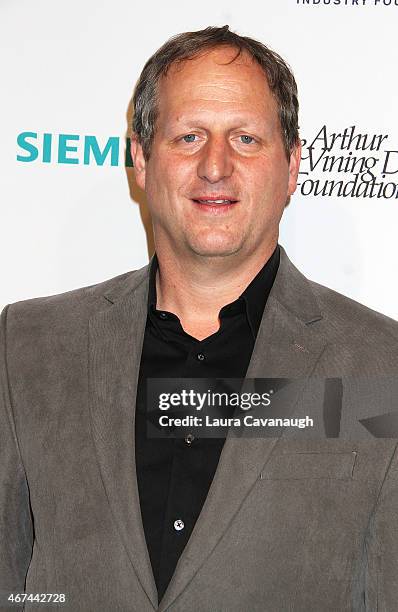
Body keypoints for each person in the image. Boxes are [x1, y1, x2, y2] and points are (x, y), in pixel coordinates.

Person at [1, 25, 398, 612]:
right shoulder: (29, 347)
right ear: (140, 159)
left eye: (245, 139)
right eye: (188, 137)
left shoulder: (379, 366)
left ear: (291, 167)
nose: (215, 166)